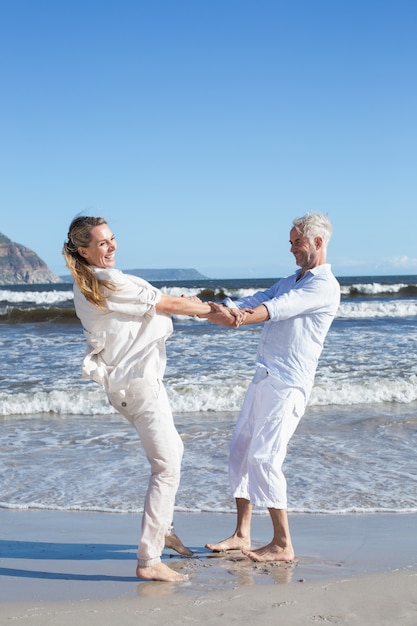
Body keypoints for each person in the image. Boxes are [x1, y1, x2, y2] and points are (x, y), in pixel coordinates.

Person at [62, 216, 227, 583]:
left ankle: (164, 530)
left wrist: (197, 304)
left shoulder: (92, 281)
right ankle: (149, 560)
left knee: (173, 453)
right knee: (166, 466)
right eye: (102, 243)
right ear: (84, 250)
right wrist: (223, 313)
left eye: (112, 239)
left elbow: (160, 302)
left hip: (133, 385)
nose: (111, 247)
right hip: (137, 387)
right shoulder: (107, 282)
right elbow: (165, 303)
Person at [205, 213, 340, 563]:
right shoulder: (290, 280)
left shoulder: (323, 286)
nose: (292, 248)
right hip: (264, 377)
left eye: (298, 241)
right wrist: (215, 308)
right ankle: (242, 533)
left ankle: (282, 544)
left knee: (265, 457)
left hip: (289, 384)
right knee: (240, 451)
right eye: (291, 241)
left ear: (317, 243)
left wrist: (239, 319)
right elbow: (259, 297)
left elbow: (279, 309)